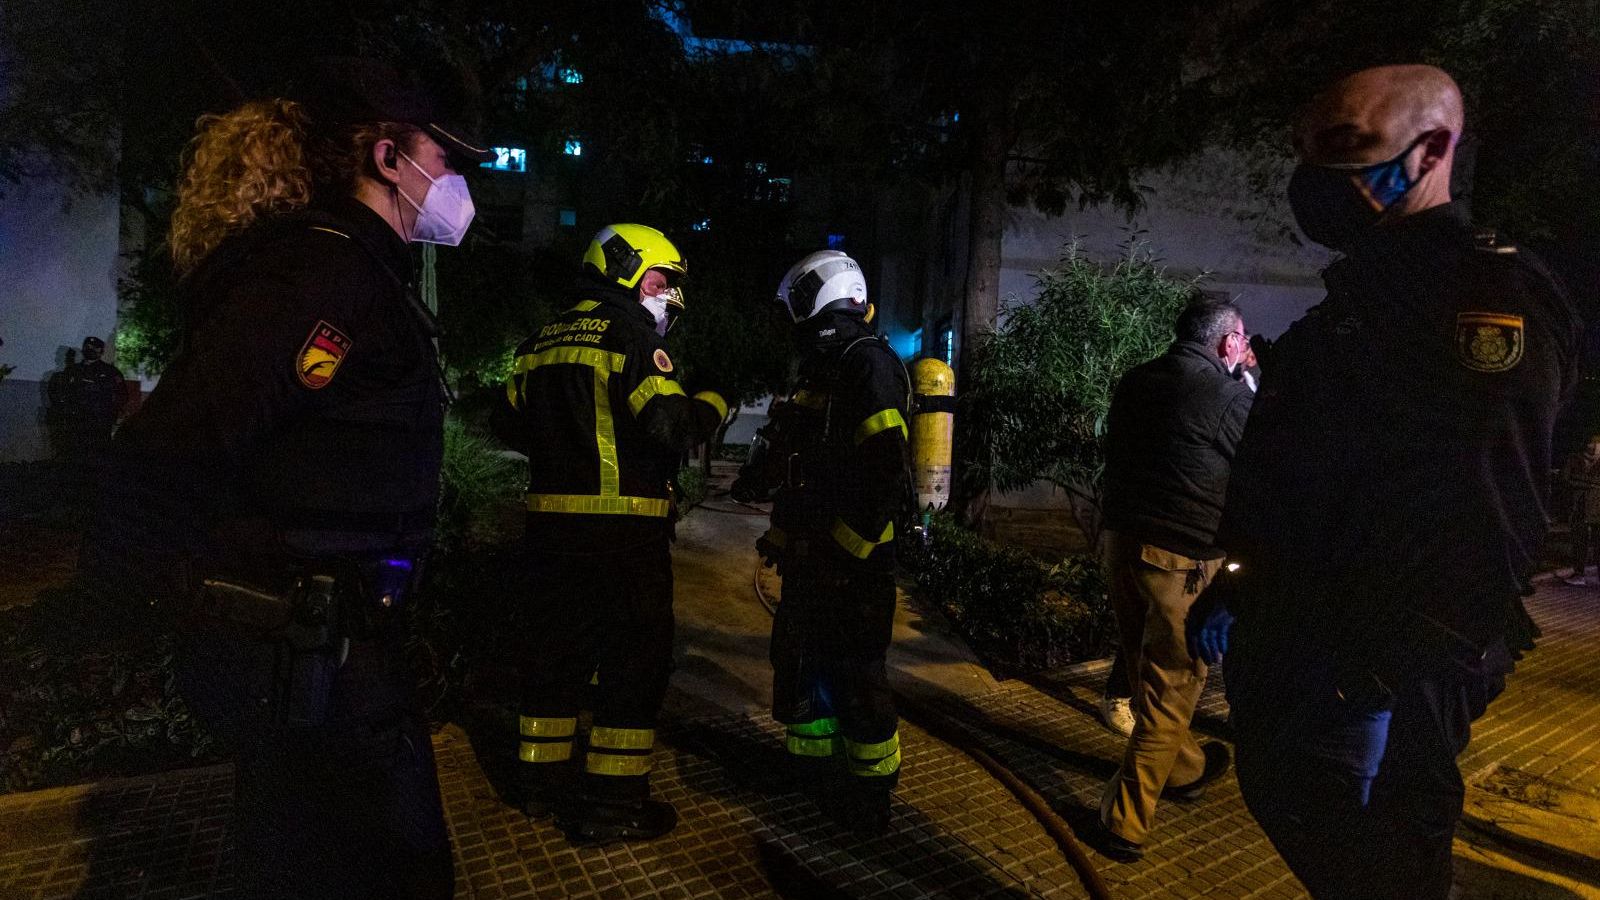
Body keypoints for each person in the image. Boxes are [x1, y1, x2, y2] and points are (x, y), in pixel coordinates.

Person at [79, 57, 494, 899]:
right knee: (389, 872)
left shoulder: (359, 268)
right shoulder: (322, 274)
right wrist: (147, 600)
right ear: (390, 156)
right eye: (450, 158)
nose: (458, 182)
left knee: (315, 862)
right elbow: (172, 448)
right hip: (311, 657)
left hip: (338, 653)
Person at [1186, 64, 1583, 900]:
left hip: (1379, 673)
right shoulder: (1364, 298)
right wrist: (1237, 581)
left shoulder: (1482, 301)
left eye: (1343, 146)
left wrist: (1381, 682)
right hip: (1316, 649)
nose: (1312, 172)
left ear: (1432, 149)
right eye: (1304, 149)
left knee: (1381, 866)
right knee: (1307, 821)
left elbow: (1486, 519)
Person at [492, 223, 726, 845]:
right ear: (624, 269)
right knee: (632, 669)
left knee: (552, 662)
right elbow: (672, 426)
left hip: (547, 540)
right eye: (660, 280)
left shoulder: (540, 339)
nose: (666, 296)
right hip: (624, 543)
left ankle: (538, 788)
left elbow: (505, 421)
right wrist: (716, 402)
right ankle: (613, 806)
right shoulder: (633, 338)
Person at [731, 250, 912, 835]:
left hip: (855, 567)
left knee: (858, 678)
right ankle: (809, 768)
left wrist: (846, 551)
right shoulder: (825, 370)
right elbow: (801, 470)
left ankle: (870, 795)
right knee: (802, 666)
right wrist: (782, 537)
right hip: (814, 560)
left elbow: (885, 473)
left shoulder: (870, 365)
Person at [1090, 299, 1253, 861]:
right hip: (1180, 561)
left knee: (1144, 671)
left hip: (1119, 547)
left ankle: (1184, 770)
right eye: (1243, 339)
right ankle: (1124, 824)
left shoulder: (1136, 382)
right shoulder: (1227, 396)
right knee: (1172, 688)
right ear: (1228, 342)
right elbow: (1258, 467)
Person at [1561, 434, 1600, 585]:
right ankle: (1579, 573)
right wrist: (1591, 485)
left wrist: (1583, 482)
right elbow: (1566, 479)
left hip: (1595, 506)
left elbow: (1570, 479)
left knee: (1597, 542)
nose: (1593, 447)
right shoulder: (1575, 458)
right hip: (1580, 505)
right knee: (1579, 540)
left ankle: (1587, 574)